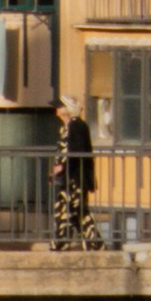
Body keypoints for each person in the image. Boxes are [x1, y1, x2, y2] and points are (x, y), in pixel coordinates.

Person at [53, 88, 98, 248]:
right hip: (67, 176)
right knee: (67, 210)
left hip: (74, 177)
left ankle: (91, 243)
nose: (56, 110)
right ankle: (66, 242)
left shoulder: (77, 126)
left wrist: (63, 168)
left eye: (59, 107)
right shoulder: (66, 127)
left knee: (76, 211)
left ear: (66, 109)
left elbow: (76, 151)